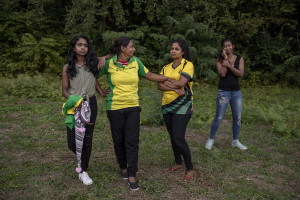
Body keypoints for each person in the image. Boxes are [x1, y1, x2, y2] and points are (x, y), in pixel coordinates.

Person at [98, 36, 174, 191]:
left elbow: (149, 75)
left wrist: (165, 77)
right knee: (118, 140)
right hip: (114, 107)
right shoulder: (109, 63)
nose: (134, 49)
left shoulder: (136, 62)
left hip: (133, 106)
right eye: (131, 46)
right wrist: (100, 91)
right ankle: (123, 167)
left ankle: (132, 173)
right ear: (123, 48)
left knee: (132, 141)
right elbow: (91, 74)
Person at [62, 35, 108, 185]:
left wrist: (100, 92)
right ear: (74, 47)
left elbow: (94, 78)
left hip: (90, 104)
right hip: (74, 105)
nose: (83, 47)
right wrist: (76, 101)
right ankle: (82, 157)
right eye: (79, 45)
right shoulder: (67, 67)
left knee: (87, 139)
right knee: (72, 142)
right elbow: (64, 91)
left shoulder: (92, 63)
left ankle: (83, 171)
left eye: (85, 45)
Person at [157, 39, 195, 183]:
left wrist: (169, 83)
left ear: (183, 51)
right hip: (167, 105)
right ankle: (178, 162)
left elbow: (182, 83)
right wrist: (174, 87)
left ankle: (190, 168)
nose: (173, 51)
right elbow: (159, 86)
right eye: (172, 48)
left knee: (178, 137)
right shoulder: (166, 67)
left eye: (177, 49)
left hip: (183, 104)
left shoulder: (188, 65)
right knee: (172, 135)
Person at [205, 38, 247, 150]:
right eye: (225, 46)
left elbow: (240, 74)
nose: (227, 48)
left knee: (237, 117)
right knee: (219, 117)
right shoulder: (219, 59)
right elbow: (222, 74)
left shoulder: (239, 58)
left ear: (233, 46)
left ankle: (235, 140)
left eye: (229, 45)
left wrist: (229, 65)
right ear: (222, 48)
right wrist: (226, 59)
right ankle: (211, 139)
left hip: (236, 92)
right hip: (224, 92)